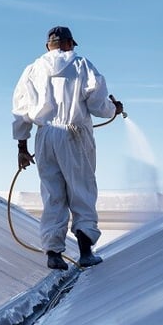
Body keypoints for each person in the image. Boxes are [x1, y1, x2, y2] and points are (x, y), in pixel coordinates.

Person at [12, 26, 124, 270]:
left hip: (45, 136)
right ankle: (85, 252)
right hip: (73, 133)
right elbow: (97, 104)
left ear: (48, 46)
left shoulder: (32, 70)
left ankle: (53, 254)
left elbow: (20, 110)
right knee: (81, 189)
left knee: (53, 194)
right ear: (69, 43)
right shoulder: (81, 65)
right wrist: (112, 108)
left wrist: (22, 146)